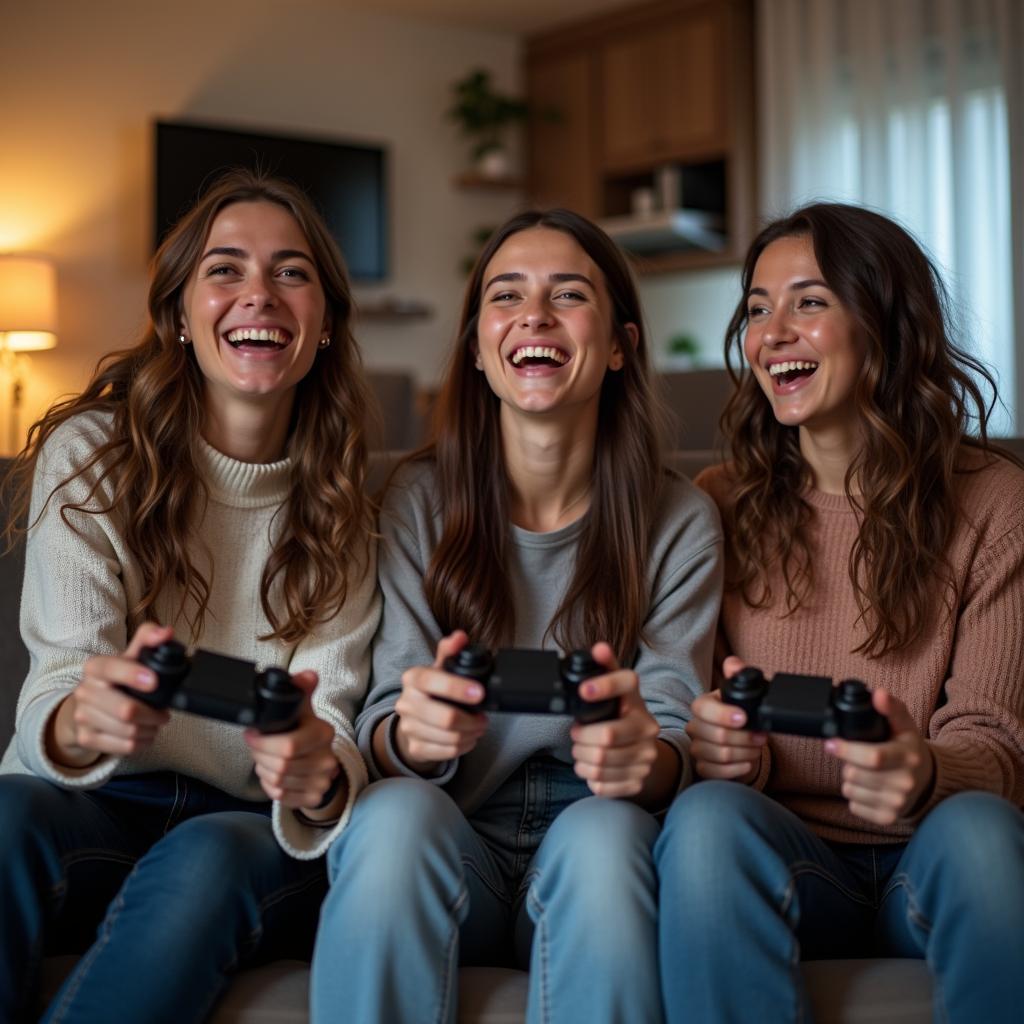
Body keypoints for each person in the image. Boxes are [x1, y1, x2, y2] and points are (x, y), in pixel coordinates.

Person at [309, 209, 722, 1023]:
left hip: (597, 830)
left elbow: (674, 729)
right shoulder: (414, 501)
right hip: (451, 831)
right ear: (477, 349)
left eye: (567, 294)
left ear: (618, 347)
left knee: (604, 840)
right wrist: (409, 736)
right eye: (507, 295)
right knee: (390, 817)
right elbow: (386, 714)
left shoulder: (680, 520)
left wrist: (649, 754)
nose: (534, 315)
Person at [0, 169, 380, 1023]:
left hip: (244, 827)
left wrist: (317, 767)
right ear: (177, 315)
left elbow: (341, 729)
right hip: (95, 803)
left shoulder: (346, 503)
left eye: (292, 272)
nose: (260, 294)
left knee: (207, 852)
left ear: (323, 324)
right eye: (225, 269)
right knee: (3, 814)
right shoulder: (92, 454)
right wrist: (80, 719)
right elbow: (59, 681)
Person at [655, 202, 1024, 1023]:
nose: (773, 332)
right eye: (756, 309)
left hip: (928, 855)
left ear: (885, 322)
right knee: (707, 820)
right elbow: (689, 725)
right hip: (788, 857)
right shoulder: (717, 503)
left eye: (810, 303)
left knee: (983, 837)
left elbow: (996, 749)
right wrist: (722, 750)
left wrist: (923, 768)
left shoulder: (995, 502)